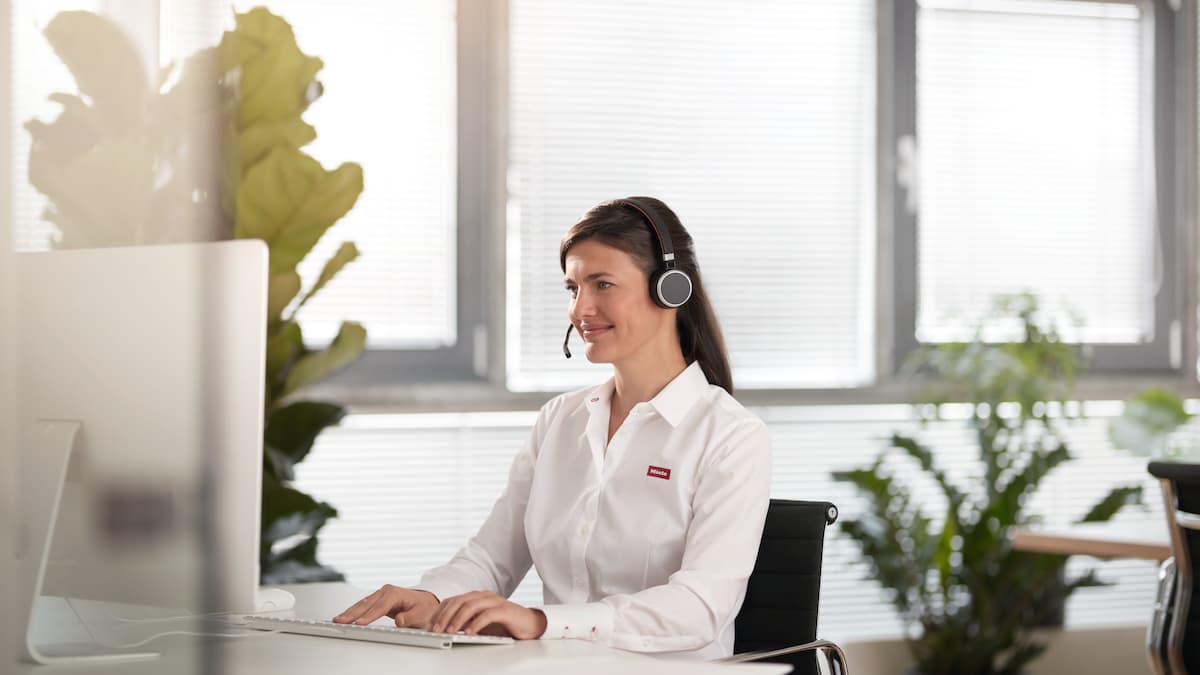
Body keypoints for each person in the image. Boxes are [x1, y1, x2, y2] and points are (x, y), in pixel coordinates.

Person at [333, 197, 771, 660]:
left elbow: (700, 608)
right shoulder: (561, 419)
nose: (581, 309)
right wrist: (433, 597)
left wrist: (543, 622)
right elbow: (492, 556)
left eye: (602, 284)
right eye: (573, 288)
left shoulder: (730, 436)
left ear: (670, 290)